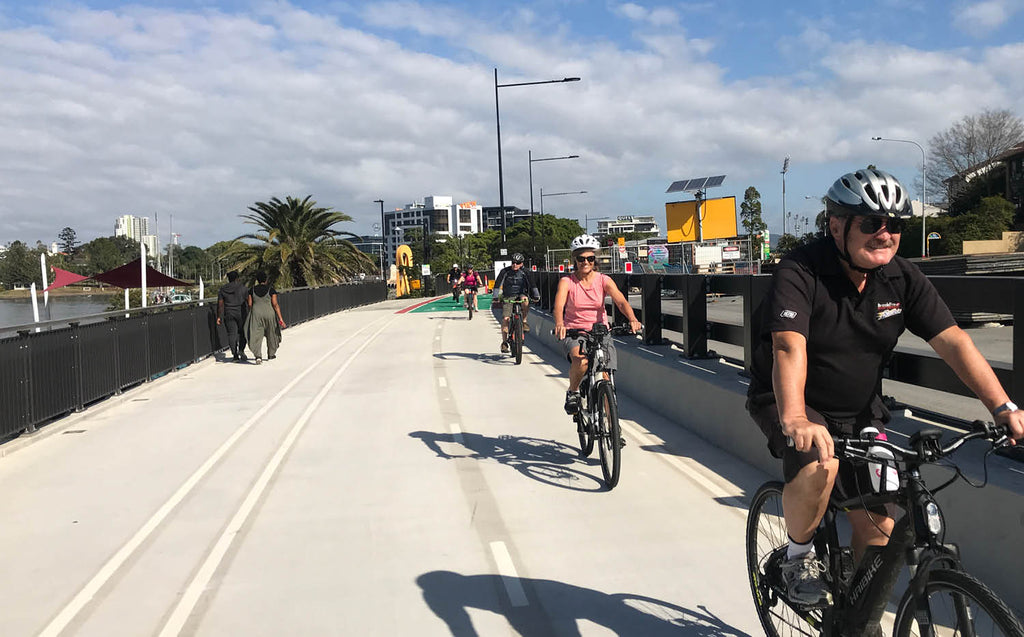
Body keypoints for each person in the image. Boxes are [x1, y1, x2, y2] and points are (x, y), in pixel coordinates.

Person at [747, 168, 1024, 610]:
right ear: (836, 225)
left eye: (895, 225)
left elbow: (953, 340)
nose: (885, 234)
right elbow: (787, 344)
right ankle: (796, 558)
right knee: (821, 466)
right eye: (870, 223)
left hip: (860, 409)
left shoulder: (901, 278)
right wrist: (796, 416)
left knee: (881, 528)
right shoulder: (800, 271)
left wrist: (1002, 405)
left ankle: (858, 613)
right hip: (791, 400)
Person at [553, 235, 642, 415]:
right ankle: (573, 391)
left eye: (590, 258)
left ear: (595, 260)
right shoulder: (567, 281)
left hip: (600, 331)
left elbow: (621, 302)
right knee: (583, 361)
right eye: (581, 258)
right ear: (575, 260)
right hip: (575, 331)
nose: (585, 262)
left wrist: (632, 318)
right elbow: (558, 305)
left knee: (606, 376)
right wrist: (560, 323)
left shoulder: (603, 280)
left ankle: (612, 425)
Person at [492, 253, 540, 353]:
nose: (515, 265)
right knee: (506, 318)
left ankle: (524, 321)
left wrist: (536, 295)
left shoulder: (525, 272)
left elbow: (532, 284)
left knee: (525, 301)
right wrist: (495, 296)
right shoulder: (505, 271)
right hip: (508, 296)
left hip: (521, 294)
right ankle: (504, 342)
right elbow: (498, 283)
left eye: (517, 263)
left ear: (521, 263)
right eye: (513, 262)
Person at [245, 271, 287, 365]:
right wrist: (280, 318)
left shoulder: (251, 290)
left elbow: (250, 304)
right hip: (269, 313)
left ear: (257, 280)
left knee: (256, 334)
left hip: (256, 314)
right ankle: (271, 354)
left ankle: (258, 356)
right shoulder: (271, 290)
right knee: (271, 333)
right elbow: (275, 304)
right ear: (266, 280)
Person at [216, 270, 248, 361]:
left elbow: (220, 304)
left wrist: (219, 316)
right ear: (237, 278)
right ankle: (241, 350)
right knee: (243, 332)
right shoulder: (243, 287)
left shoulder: (223, 289)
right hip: (241, 313)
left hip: (229, 313)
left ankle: (235, 355)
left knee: (231, 334)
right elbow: (248, 301)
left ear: (228, 279)